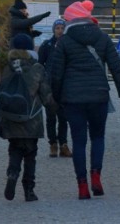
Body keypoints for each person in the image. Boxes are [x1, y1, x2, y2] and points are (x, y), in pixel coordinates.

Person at [47, 0, 120, 200]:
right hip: (98, 95)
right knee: (98, 137)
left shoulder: (64, 42)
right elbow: (116, 66)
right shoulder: (102, 37)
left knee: (78, 141)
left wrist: (56, 98)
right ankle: (96, 177)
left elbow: (56, 74)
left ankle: (82, 186)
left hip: (73, 98)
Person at [0, 35, 55, 202]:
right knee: (30, 154)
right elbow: (46, 96)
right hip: (31, 120)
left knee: (14, 149)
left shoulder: (7, 68)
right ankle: (29, 191)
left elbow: (0, 96)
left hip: (10, 118)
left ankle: (12, 173)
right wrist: (56, 110)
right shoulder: (36, 68)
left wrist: (0, 122)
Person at [38, 18, 71, 158]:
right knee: (51, 117)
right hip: (50, 86)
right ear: (53, 30)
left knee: (63, 117)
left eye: (62, 28)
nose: (60, 30)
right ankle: (53, 143)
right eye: (57, 28)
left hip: (64, 85)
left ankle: (63, 143)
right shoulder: (47, 45)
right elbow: (40, 64)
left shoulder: (68, 45)